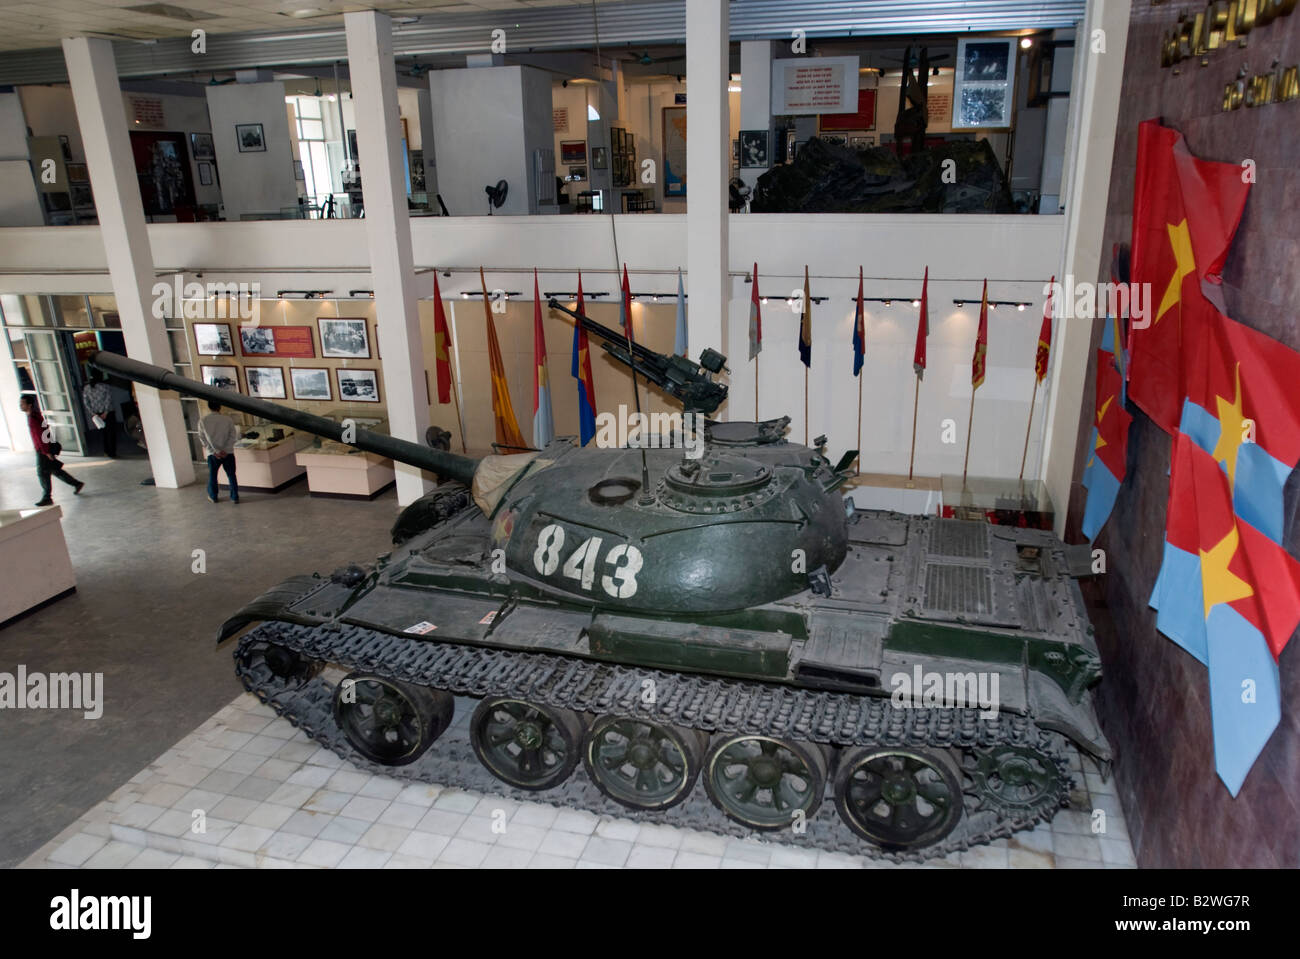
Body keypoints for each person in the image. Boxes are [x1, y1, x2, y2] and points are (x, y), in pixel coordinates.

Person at [22, 394, 83, 507]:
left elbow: (42, 435)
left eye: (23, 403)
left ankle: (47, 497)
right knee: (54, 470)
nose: (21, 405)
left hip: (42, 450)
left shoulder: (34, 418)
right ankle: (76, 484)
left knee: (42, 473)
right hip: (42, 449)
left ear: (29, 405)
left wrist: (47, 451)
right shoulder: (34, 416)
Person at [198, 399, 239, 504]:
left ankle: (213, 496)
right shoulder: (227, 420)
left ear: (209, 407)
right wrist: (225, 449)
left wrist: (214, 451)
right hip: (228, 453)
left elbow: (202, 438)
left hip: (213, 454)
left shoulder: (203, 421)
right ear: (219, 407)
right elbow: (233, 436)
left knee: (213, 475)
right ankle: (234, 497)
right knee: (231, 475)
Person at [82, 369, 117, 458]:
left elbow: (86, 403)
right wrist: (105, 412)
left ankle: (106, 451)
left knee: (103, 433)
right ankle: (112, 453)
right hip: (108, 413)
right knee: (111, 432)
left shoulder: (86, 388)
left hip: (97, 414)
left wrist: (94, 414)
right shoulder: (105, 386)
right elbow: (108, 400)